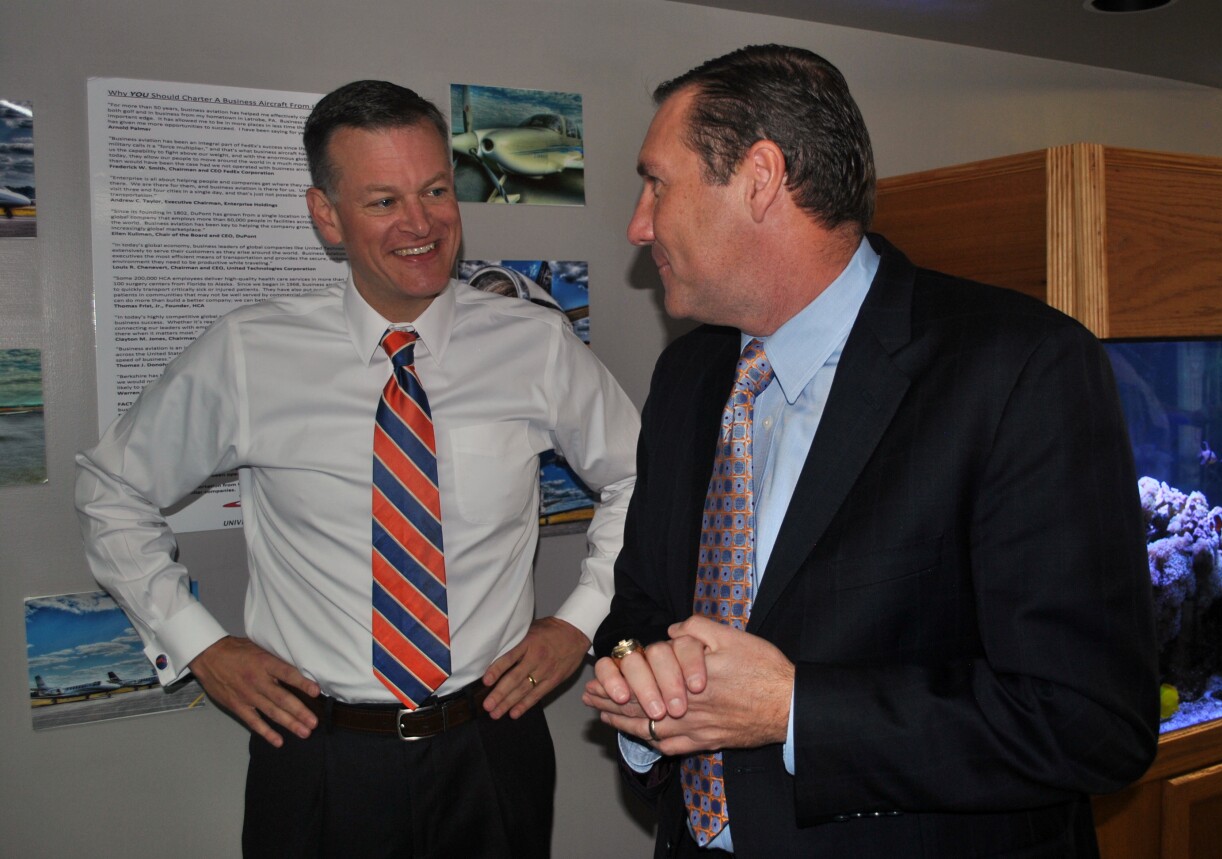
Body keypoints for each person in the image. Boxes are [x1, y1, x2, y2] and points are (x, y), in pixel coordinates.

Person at [584, 45, 1159, 858]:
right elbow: (639, 607)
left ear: (759, 176)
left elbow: (1091, 722)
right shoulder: (688, 374)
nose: (639, 225)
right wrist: (641, 687)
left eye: (656, 182)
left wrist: (795, 711)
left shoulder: (1018, 367)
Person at [76, 79, 639, 858]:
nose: (421, 223)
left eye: (436, 189)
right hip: (318, 755)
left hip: (491, 745)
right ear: (325, 215)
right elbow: (112, 489)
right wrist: (198, 643)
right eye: (383, 201)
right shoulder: (249, 353)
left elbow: (640, 475)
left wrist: (579, 622)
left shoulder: (535, 345)